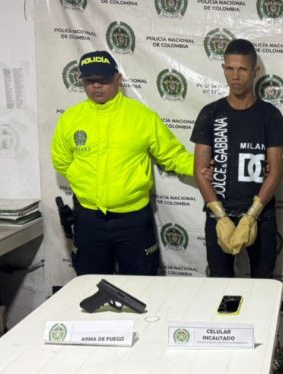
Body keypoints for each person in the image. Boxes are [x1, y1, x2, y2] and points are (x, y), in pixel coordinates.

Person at [191, 38, 283, 374]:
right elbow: (199, 168)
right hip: (219, 214)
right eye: (230, 68)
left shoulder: (269, 115)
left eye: (243, 69)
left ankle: (272, 354)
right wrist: (220, 216)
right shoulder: (211, 113)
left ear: (255, 71)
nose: (236, 76)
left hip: (259, 216)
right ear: (224, 69)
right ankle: (222, 350)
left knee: (263, 286)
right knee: (219, 286)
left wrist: (251, 214)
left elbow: (276, 170)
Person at [51, 50, 193, 276]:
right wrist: (86, 185)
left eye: (104, 80)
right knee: (88, 286)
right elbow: (62, 162)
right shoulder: (70, 119)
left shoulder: (142, 117)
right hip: (89, 220)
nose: (97, 86)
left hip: (134, 221)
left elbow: (173, 155)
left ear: (118, 79)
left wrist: (206, 166)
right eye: (90, 81)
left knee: (141, 288)